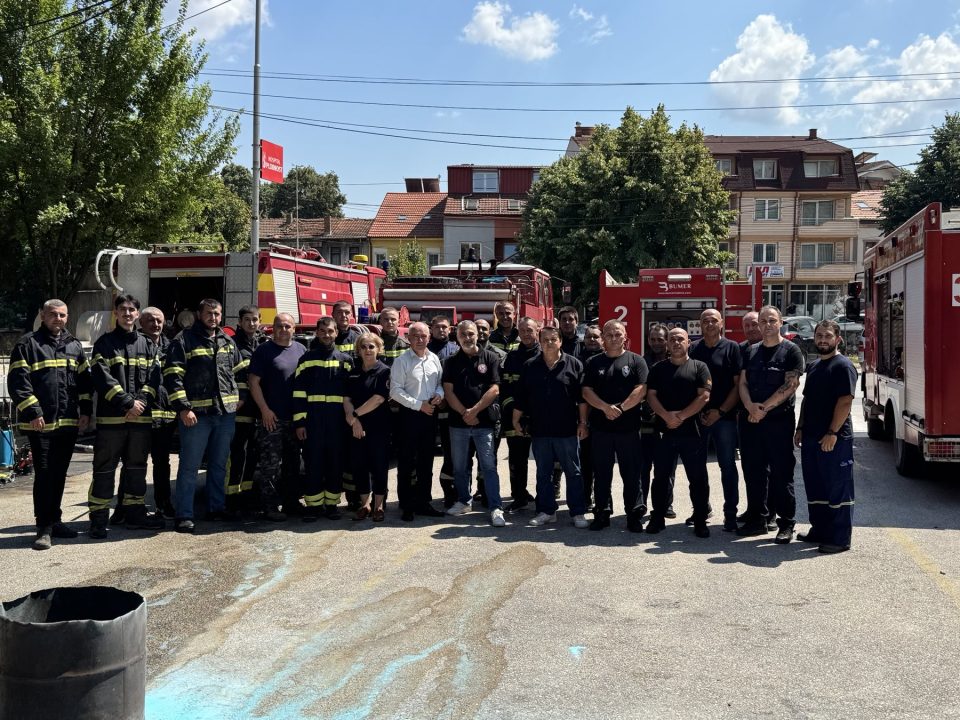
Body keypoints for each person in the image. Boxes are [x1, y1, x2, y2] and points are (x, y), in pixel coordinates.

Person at [8, 299, 92, 550]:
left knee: (58, 474)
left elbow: (84, 383)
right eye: (53, 314)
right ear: (42, 316)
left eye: (63, 315)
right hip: (40, 424)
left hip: (67, 422)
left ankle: (55, 521)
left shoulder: (74, 346)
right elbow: (18, 384)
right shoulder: (27, 344)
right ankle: (43, 527)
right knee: (44, 475)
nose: (59, 319)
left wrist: (86, 410)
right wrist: (33, 412)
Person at [87, 294, 165, 538]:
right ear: (116, 313)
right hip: (112, 420)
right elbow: (102, 378)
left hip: (140, 420)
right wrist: (128, 404)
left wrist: (140, 403)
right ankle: (99, 519)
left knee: (136, 467)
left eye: (132, 310)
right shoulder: (104, 344)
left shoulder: (149, 345)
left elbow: (155, 378)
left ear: (136, 314)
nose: (128, 314)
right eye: (123, 309)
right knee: (104, 470)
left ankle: (134, 514)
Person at [164, 298, 244, 534]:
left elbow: (240, 371)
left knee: (219, 465)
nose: (213, 317)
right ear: (199, 314)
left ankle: (215, 508)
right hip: (196, 415)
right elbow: (172, 375)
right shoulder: (184, 340)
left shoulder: (227, 340)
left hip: (225, 414)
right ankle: (184, 515)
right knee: (189, 466)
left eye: (217, 314)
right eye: (209, 313)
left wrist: (241, 399)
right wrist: (183, 407)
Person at [738, 306, 805, 542]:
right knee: (754, 473)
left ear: (780, 322)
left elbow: (791, 385)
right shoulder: (750, 351)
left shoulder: (791, 351)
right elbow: (743, 384)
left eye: (772, 320)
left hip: (778, 423)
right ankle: (757, 519)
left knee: (781, 474)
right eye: (762, 321)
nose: (766, 325)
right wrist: (749, 408)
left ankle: (786, 524)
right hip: (751, 421)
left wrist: (762, 409)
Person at [512, 325, 589, 528]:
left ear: (560, 341)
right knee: (543, 473)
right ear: (539, 341)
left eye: (553, 339)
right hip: (540, 430)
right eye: (544, 339)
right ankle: (546, 511)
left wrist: (582, 423)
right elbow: (521, 397)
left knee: (574, 472)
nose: (549, 343)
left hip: (567, 430)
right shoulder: (530, 366)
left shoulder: (574, 365)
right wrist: (515, 420)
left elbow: (582, 399)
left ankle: (578, 512)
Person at [794, 320, 857, 554]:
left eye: (827, 336)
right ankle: (819, 530)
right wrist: (800, 428)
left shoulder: (843, 366)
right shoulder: (813, 367)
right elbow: (807, 401)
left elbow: (845, 402)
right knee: (816, 486)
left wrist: (832, 433)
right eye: (819, 335)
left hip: (834, 439)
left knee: (838, 488)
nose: (822, 339)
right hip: (811, 437)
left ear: (837, 339)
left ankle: (840, 539)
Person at [644, 328, 713, 538]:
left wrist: (680, 416)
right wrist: (666, 416)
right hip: (665, 431)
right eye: (672, 339)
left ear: (688, 343)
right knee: (661, 477)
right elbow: (651, 396)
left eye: (680, 339)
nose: (676, 342)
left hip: (692, 432)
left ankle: (700, 519)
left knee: (698, 478)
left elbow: (704, 397)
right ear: (667, 344)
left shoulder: (700, 367)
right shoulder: (658, 369)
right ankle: (657, 517)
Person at [581, 320, 649, 532]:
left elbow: (641, 389)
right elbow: (586, 392)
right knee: (602, 473)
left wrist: (620, 408)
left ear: (625, 336)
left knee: (631, 474)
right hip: (601, 429)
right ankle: (602, 513)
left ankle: (634, 514)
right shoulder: (593, 362)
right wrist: (604, 408)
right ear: (603, 338)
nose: (613, 337)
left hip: (628, 429)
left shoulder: (637, 361)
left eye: (617, 334)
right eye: (608, 334)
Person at [114, 305, 176, 522]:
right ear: (141, 322)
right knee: (131, 461)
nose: (156, 324)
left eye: (159, 320)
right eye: (150, 320)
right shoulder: (133, 345)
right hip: (139, 413)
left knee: (162, 462)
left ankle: (164, 503)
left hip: (165, 415)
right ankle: (122, 506)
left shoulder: (172, 346)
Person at [442, 321, 505, 526]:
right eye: (463, 335)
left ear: (478, 335)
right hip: (458, 424)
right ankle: (463, 501)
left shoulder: (491, 358)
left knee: (488, 466)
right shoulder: (451, 362)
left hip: (483, 423)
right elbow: (448, 391)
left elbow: (495, 389)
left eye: (470, 334)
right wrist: (464, 413)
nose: (467, 338)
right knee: (460, 467)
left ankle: (496, 507)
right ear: (457, 337)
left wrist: (475, 411)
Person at [293, 316, 353, 521]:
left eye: (331, 331)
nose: (327, 335)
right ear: (317, 333)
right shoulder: (306, 359)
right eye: (323, 331)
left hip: (337, 422)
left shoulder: (346, 361)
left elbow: (350, 395)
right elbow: (299, 393)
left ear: (337, 333)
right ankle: (313, 506)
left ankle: (332, 504)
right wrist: (300, 422)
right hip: (313, 421)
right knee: (313, 462)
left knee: (335, 462)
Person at [248, 313, 306, 521]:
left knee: (293, 464)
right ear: (272, 328)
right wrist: (264, 410)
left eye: (287, 326)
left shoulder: (301, 350)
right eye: (279, 326)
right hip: (271, 419)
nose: (283, 330)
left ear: (294, 329)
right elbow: (253, 382)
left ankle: (291, 502)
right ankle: (270, 506)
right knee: (270, 465)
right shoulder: (264, 351)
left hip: (295, 419)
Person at [690, 309, 743, 532]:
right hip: (699, 418)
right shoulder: (693, 349)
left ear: (721, 323)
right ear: (699, 325)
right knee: (696, 467)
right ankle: (701, 509)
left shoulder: (732, 348)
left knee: (727, 466)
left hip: (725, 418)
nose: (709, 324)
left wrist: (720, 412)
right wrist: (699, 411)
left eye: (714, 320)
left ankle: (730, 514)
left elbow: (738, 386)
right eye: (705, 321)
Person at [389, 322, 446, 521]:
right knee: (406, 462)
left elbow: (439, 383)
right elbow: (395, 391)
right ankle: (406, 504)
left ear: (429, 337)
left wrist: (439, 395)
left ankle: (423, 501)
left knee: (426, 462)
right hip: (409, 416)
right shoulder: (402, 361)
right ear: (409, 339)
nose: (420, 340)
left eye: (423, 336)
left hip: (430, 415)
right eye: (416, 336)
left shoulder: (434, 359)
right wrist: (418, 405)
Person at [344, 334, 392, 523]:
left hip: (379, 428)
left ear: (378, 349)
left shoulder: (384, 372)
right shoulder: (353, 373)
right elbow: (346, 399)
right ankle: (365, 504)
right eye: (364, 347)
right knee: (359, 466)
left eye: (372, 346)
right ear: (359, 350)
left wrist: (354, 415)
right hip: (357, 428)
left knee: (379, 466)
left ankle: (378, 505)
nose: (368, 350)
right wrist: (354, 421)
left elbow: (379, 398)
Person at [226, 305, 264, 516]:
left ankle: (247, 494)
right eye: (247, 320)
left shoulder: (261, 345)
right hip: (240, 409)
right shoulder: (233, 346)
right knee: (236, 453)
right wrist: (239, 399)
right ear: (239, 322)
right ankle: (231, 497)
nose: (251, 323)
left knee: (253, 453)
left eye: (255, 319)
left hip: (257, 410)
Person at [500, 317, 541, 512]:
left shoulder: (545, 354)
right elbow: (506, 388)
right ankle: (519, 496)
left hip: (540, 417)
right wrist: (516, 414)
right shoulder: (512, 357)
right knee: (517, 459)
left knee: (544, 460)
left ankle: (544, 497)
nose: (526, 334)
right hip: (514, 416)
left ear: (537, 331)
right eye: (523, 330)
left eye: (530, 330)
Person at [639, 324, 675, 520]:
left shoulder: (674, 362)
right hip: (645, 424)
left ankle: (666, 505)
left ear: (667, 341)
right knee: (643, 467)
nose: (656, 343)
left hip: (667, 424)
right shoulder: (642, 362)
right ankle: (641, 504)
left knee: (666, 468)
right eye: (653, 339)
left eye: (660, 339)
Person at [429, 314, 459, 504]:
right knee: (422, 455)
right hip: (427, 410)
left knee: (451, 455)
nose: (441, 330)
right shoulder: (424, 349)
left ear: (450, 329)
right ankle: (421, 494)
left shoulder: (456, 350)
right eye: (437, 326)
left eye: (444, 327)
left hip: (451, 412)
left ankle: (451, 494)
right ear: (431, 329)